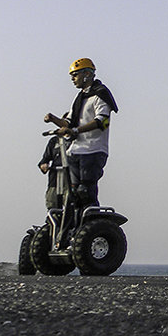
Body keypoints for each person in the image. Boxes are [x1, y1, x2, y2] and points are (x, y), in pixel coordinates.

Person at [43, 58, 118, 225]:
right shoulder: (80, 99)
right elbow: (69, 123)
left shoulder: (100, 94)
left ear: (87, 74)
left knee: (86, 191)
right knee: (74, 195)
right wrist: (53, 119)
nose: (72, 79)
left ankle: (93, 226)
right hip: (75, 151)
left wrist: (75, 130)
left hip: (93, 150)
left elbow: (102, 122)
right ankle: (75, 229)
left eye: (75, 75)